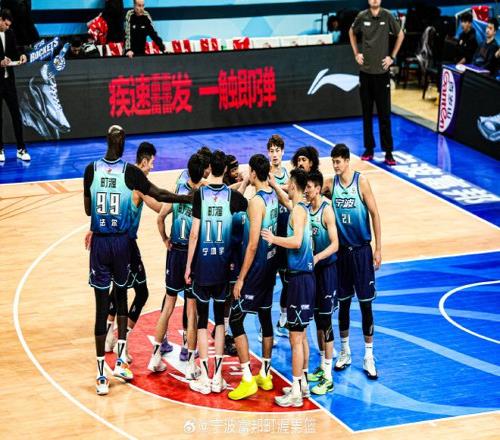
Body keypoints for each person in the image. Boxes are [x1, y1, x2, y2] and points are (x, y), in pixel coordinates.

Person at [83, 125, 191, 395]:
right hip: (121, 242)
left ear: (106, 141)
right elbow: (160, 195)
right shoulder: (130, 172)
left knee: (102, 308)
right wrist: (186, 198)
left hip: (100, 243)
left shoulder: (91, 170)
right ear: (123, 145)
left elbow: (87, 209)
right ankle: (120, 360)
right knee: (122, 299)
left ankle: (101, 374)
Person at [184, 150, 248, 395]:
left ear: (210, 167)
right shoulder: (232, 197)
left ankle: (205, 377)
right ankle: (218, 377)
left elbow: (194, 234)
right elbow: (245, 212)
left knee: (202, 321)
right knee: (220, 321)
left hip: (203, 266)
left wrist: (188, 266)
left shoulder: (200, 194)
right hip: (223, 267)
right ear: (226, 170)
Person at [93, 142, 162, 364]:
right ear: (144, 161)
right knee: (142, 293)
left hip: (110, 240)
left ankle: (108, 338)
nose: (152, 167)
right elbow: (159, 206)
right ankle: (123, 342)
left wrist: (94, 229)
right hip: (127, 245)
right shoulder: (137, 183)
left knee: (117, 289)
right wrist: (184, 202)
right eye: (152, 162)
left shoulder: (122, 178)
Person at [262, 168, 315, 408]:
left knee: (295, 338)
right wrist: (275, 185)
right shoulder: (301, 208)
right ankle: (302, 385)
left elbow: (296, 241)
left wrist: (274, 239)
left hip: (299, 278)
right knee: (301, 336)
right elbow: (286, 201)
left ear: (293, 185)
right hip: (305, 278)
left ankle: (295, 392)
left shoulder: (298, 212)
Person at [148, 153, 205, 377]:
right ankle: (190, 364)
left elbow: (160, 217)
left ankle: (155, 357)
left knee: (168, 306)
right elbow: (196, 233)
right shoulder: (202, 195)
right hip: (190, 255)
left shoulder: (178, 190)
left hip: (174, 254)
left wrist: (165, 239)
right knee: (191, 311)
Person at [228, 154, 279, 400]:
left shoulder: (256, 202)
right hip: (271, 266)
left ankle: (248, 378)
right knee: (265, 317)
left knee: (235, 320)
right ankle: (265, 375)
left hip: (256, 269)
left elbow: (252, 244)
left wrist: (241, 278)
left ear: (254, 174)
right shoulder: (274, 196)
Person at [329, 144, 381, 380]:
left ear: (347, 161)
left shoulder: (361, 182)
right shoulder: (331, 185)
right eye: (333, 162)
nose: (335, 165)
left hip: (361, 251)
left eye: (338, 161)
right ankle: (345, 351)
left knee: (365, 304)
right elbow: (308, 190)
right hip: (342, 253)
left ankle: (369, 355)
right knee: (344, 304)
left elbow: (375, 214)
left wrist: (378, 248)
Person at [349, 0, 404, 166]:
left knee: (384, 115)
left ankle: (388, 152)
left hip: (382, 75)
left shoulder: (387, 16)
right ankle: (369, 149)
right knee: (367, 114)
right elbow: (351, 32)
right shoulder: (362, 16)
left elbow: (400, 35)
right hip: (366, 74)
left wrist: (392, 57)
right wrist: (356, 53)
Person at [303, 170, 339, 395]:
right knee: (317, 319)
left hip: (326, 271)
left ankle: (329, 377)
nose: (306, 191)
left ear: (317, 189)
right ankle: (322, 366)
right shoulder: (307, 209)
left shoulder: (327, 210)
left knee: (326, 321)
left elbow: (335, 244)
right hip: (313, 272)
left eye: (308, 187)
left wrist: (317, 257)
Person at [267, 134, 289, 338]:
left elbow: (292, 194)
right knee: (267, 283)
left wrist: (280, 187)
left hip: (285, 233)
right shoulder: (266, 174)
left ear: (283, 152)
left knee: (287, 280)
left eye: (277, 150)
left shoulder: (287, 174)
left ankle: (283, 319)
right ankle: (264, 326)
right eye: (271, 151)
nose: (274, 154)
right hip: (270, 235)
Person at [0, 9, 29, 162]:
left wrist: (22, 55)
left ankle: (21, 149)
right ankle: (0, 149)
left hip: (9, 81)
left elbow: (15, 50)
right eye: (5, 24)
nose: (7, 27)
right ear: (0, 19)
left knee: (16, 115)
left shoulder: (10, 33)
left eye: (9, 25)